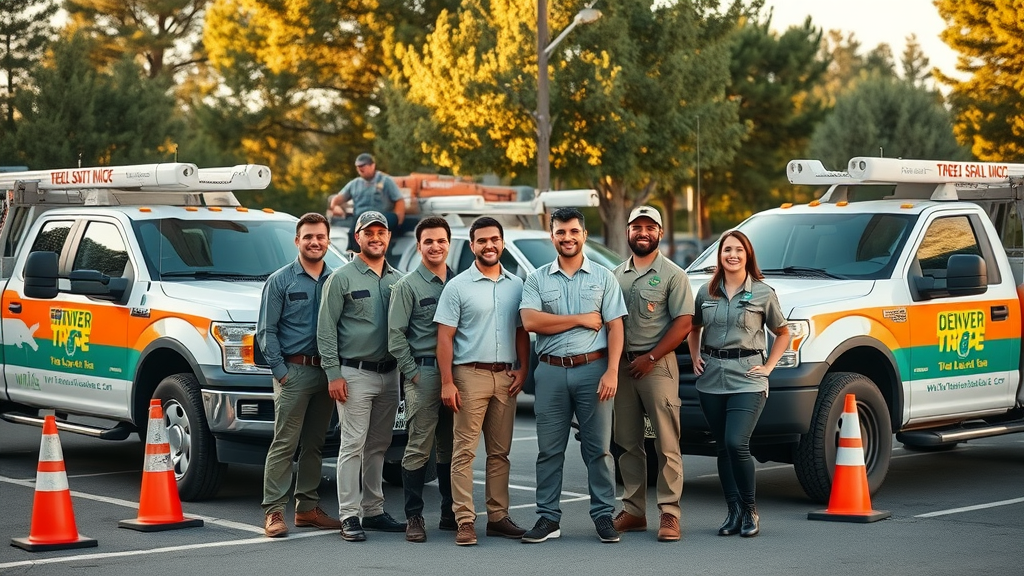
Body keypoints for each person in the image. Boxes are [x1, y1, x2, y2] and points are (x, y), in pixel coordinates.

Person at [519, 207, 628, 544]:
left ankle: (603, 516)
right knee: (549, 450)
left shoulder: (604, 277)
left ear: (583, 235)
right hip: (550, 372)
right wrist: (581, 318)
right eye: (560, 232)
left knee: (598, 450)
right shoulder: (537, 278)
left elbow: (615, 327)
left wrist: (612, 370)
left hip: (594, 371)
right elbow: (531, 322)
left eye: (573, 232)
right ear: (552, 236)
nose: (567, 238)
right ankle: (548, 519)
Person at [685, 229, 790, 538]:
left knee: (736, 443)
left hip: (748, 378)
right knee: (722, 447)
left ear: (747, 256)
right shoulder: (706, 291)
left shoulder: (762, 293)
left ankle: (749, 509)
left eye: (738, 250)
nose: (732, 255)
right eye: (726, 249)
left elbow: (783, 332)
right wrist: (694, 356)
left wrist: (769, 366)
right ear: (720, 256)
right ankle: (732, 512)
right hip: (711, 378)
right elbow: (693, 328)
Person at [434, 216, 530, 546]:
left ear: (502, 243)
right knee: (464, 452)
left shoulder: (517, 285)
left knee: (500, 453)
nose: (489, 245)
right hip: (468, 375)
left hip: (505, 376)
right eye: (482, 240)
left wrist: (524, 368)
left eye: (494, 239)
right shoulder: (457, 286)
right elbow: (444, 338)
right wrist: (447, 382)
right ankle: (465, 520)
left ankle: (498, 517)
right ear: (472, 245)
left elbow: (521, 331)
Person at [317, 210, 406, 542]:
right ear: (358, 238)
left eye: (381, 232)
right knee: (352, 444)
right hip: (354, 373)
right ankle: (349, 515)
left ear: (388, 237)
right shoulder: (341, 278)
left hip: (390, 374)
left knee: (379, 445)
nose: (375, 237)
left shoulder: (399, 279)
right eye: (368, 232)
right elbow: (325, 330)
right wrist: (332, 374)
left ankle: (373, 510)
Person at [256, 212, 343, 538]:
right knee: (284, 444)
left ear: (328, 240)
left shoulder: (336, 279)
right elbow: (266, 331)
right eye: (308, 236)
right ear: (297, 241)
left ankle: (306, 508)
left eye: (320, 236)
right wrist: (281, 373)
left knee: (314, 445)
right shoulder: (280, 280)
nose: (315, 242)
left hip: (326, 374)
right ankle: (274, 511)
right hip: (293, 372)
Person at [611, 206, 694, 542]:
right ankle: (633, 512)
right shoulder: (615, 274)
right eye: (636, 227)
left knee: (666, 442)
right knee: (627, 443)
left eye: (649, 227)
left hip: (658, 365)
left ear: (659, 233)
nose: (642, 232)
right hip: (622, 367)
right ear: (628, 232)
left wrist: (651, 356)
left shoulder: (675, 275)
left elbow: (684, 324)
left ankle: (670, 513)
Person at [387, 217, 458, 542]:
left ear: (449, 243)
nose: (435, 246)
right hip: (424, 374)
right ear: (419, 246)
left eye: (441, 240)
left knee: (451, 447)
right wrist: (412, 372)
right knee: (419, 446)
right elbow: (396, 336)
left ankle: (449, 512)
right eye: (428, 241)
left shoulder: (459, 283)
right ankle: (414, 517)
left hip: (458, 375)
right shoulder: (408, 285)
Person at [328, 153, 406, 251]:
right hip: (360, 217)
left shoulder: (386, 181)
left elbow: (399, 200)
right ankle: (355, 254)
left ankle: (379, 254)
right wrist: (335, 206)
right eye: (358, 167)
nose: (360, 169)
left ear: (372, 165)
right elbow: (337, 199)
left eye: (363, 166)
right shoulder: (355, 184)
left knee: (379, 228)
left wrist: (399, 221)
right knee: (355, 232)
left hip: (381, 216)